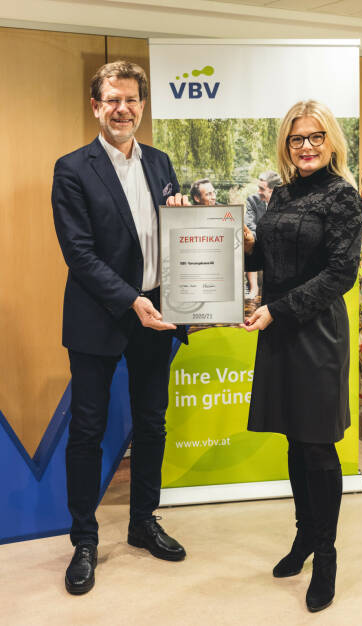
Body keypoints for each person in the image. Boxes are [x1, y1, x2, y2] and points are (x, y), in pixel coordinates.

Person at [52, 60, 190, 595]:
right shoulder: (72, 168)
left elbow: (171, 234)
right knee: (87, 431)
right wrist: (131, 300)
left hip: (155, 314)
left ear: (142, 106)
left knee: (152, 424)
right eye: (112, 99)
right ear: (96, 106)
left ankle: (142, 523)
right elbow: (79, 253)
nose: (122, 109)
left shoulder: (160, 162)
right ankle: (84, 540)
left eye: (131, 100)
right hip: (100, 317)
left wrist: (184, 214)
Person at [242, 100, 362, 613]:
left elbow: (341, 273)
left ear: (330, 141)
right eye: (297, 139)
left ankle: (327, 556)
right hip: (280, 331)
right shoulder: (283, 192)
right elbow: (267, 257)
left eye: (315, 137)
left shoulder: (342, 195)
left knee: (317, 447)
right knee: (295, 439)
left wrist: (276, 309)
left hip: (315, 332)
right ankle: (304, 537)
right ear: (286, 146)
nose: (307, 146)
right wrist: (236, 238)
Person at [245, 171, 281, 299]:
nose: (258, 191)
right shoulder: (252, 200)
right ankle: (254, 288)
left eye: (262, 189)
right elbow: (249, 225)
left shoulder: (287, 202)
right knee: (249, 241)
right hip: (259, 240)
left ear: (273, 190)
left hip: (279, 245)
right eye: (258, 188)